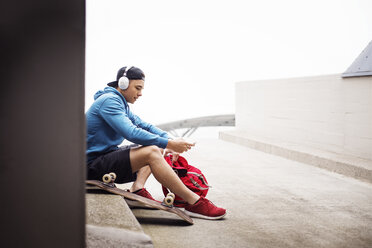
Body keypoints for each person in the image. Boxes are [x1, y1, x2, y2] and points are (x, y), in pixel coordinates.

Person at [86, 66, 226, 220]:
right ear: (123, 84)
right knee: (152, 151)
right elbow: (131, 132)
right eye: (137, 88)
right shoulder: (109, 101)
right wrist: (170, 144)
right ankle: (193, 201)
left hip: (103, 158)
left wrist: (169, 140)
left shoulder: (120, 103)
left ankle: (137, 189)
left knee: (156, 146)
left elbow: (143, 125)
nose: (140, 94)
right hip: (90, 166)